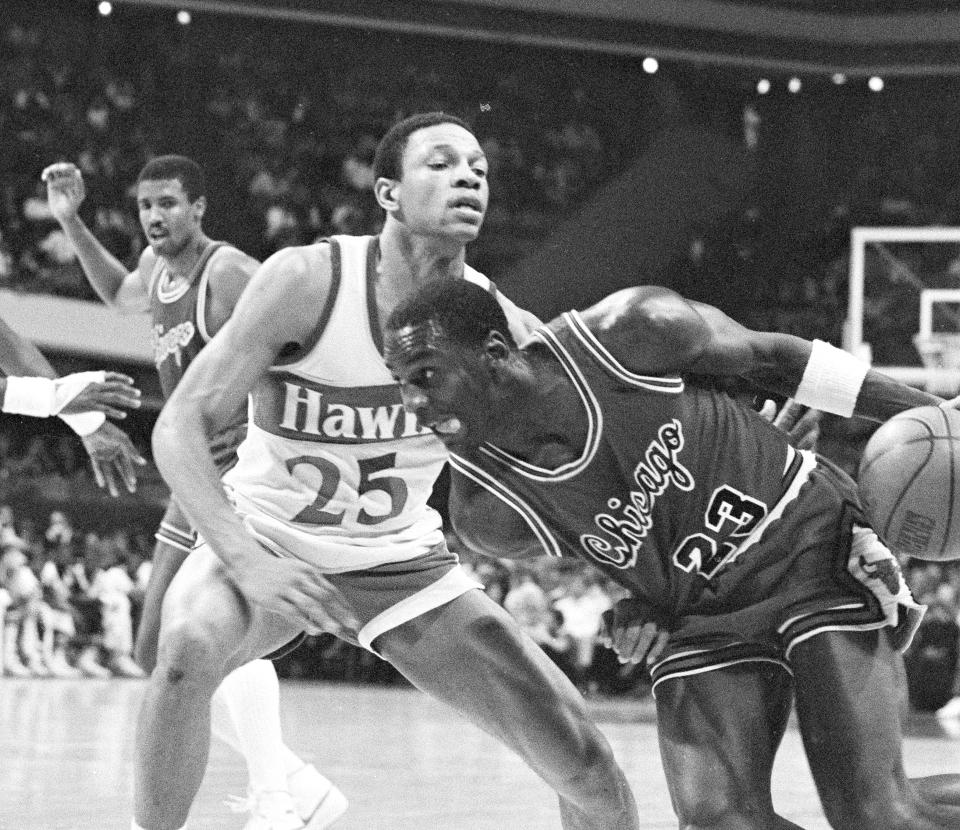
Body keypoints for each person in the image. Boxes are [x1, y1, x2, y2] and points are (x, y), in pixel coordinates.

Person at [144, 112, 639, 830]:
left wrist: (645, 588)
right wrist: (249, 561)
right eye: (441, 163)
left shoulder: (498, 324)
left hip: (401, 562)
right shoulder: (307, 281)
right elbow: (178, 425)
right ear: (387, 192)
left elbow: (604, 454)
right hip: (271, 535)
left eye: (479, 167)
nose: (469, 175)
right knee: (185, 648)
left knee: (586, 766)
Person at [383, 277, 960, 830]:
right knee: (717, 823)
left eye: (426, 374)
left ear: (492, 351)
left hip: (805, 544)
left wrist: (939, 418)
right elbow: (620, 555)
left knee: (876, 814)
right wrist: (637, 603)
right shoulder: (488, 513)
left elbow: (777, 360)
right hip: (702, 614)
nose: (411, 401)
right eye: (401, 381)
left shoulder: (626, 332)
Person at [43, 156, 346, 830]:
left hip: (240, 471)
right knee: (157, 652)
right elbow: (121, 295)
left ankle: (277, 795)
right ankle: (297, 785)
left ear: (200, 207)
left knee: (214, 633)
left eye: (169, 204)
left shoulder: (230, 273)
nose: (155, 217)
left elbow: (292, 352)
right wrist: (72, 222)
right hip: (194, 470)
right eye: (146, 205)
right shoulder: (157, 270)